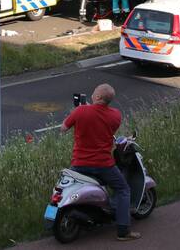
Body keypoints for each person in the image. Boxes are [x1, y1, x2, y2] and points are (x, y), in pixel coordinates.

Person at [60, 84, 141, 242]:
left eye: (94, 92)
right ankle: (123, 231)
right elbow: (103, 122)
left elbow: (63, 128)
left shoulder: (80, 111)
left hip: (79, 164)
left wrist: (80, 114)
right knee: (123, 189)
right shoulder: (115, 116)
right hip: (104, 165)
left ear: (97, 97)